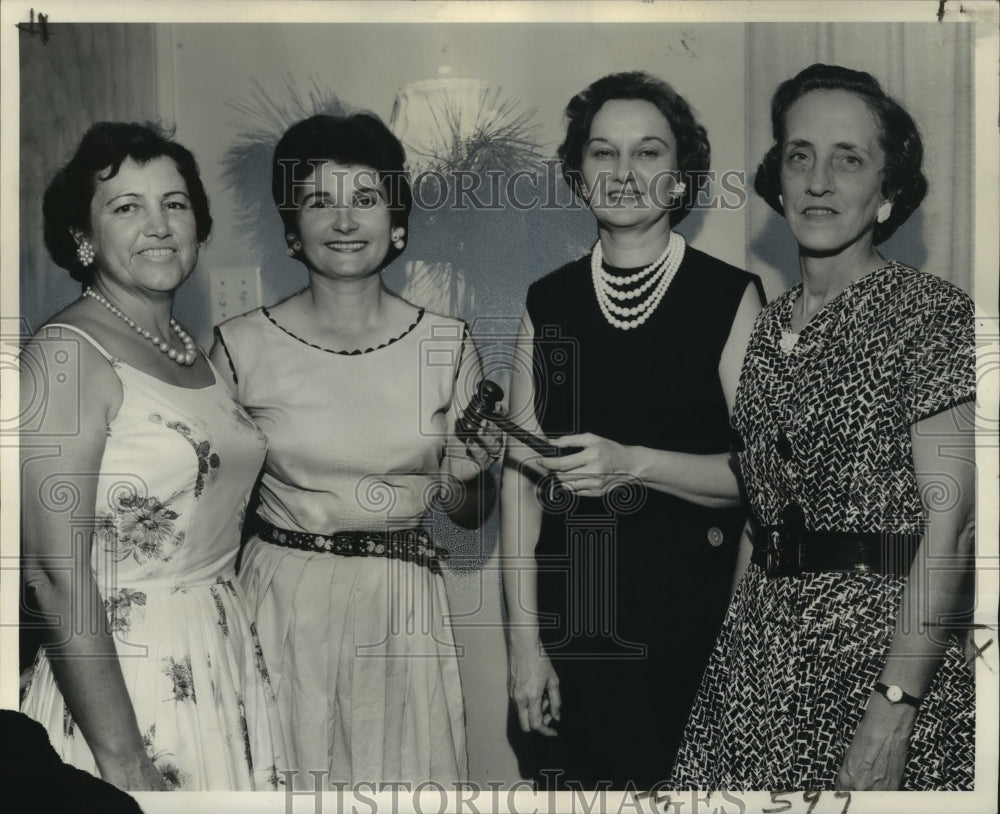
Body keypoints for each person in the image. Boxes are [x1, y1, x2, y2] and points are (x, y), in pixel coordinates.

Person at [670, 63, 976, 791]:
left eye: (849, 159)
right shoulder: (768, 326)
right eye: (800, 155)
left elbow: (953, 526)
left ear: (887, 193)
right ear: (778, 182)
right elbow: (761, 518)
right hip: (759, 666)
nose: (817, 180)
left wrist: (894, 708)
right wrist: (731, 663)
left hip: (879, 666)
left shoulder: (928, 314)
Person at [210, 113, 499, 788]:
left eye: (365, 200)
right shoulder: (238, 347)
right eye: (319, 202)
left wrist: (464, 480)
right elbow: (205, 504)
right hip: (279, 602)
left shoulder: (448, 344)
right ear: (292, 228)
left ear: (397, 224)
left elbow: (472, 513)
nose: (344, 221)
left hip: (400, 605)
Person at [500, 71, 764, 789]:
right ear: (579, 174)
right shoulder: (547, 300)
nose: (623, 173)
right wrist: (525, 645)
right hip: (572, 634)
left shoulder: (730, 297)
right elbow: (521, 486)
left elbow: (763, 479)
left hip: (694, 634)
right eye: (602, 153)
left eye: (648, 153)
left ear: (681, 179)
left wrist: (633, 463)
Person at [19, 122, 285, 791]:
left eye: (175, 204)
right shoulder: (65, 355)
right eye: (126, 207)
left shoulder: (187, 347)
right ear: (83, 237)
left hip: (222, 657)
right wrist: (126, 763)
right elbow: (53, 573)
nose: (159, 225)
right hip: (129, 684)